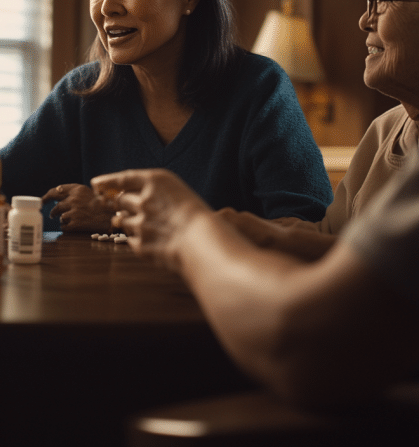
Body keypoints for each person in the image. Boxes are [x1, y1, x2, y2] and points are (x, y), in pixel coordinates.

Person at [0, 0, 333, 232]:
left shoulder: (260, 88)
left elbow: (306, 228)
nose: (108, 7)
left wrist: (121, 215)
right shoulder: (81, 93)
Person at [90, 158, 419, 406]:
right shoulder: (387, 125)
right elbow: (383, 266)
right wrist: (283, 239)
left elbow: (305, 343)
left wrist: (184, 228)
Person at [190, 0, 419, 260]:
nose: (364, 20)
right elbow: (329, 239)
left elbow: (370, 273)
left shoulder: (261, 85)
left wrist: (188, 222)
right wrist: (238, 228)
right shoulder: (385, 128)